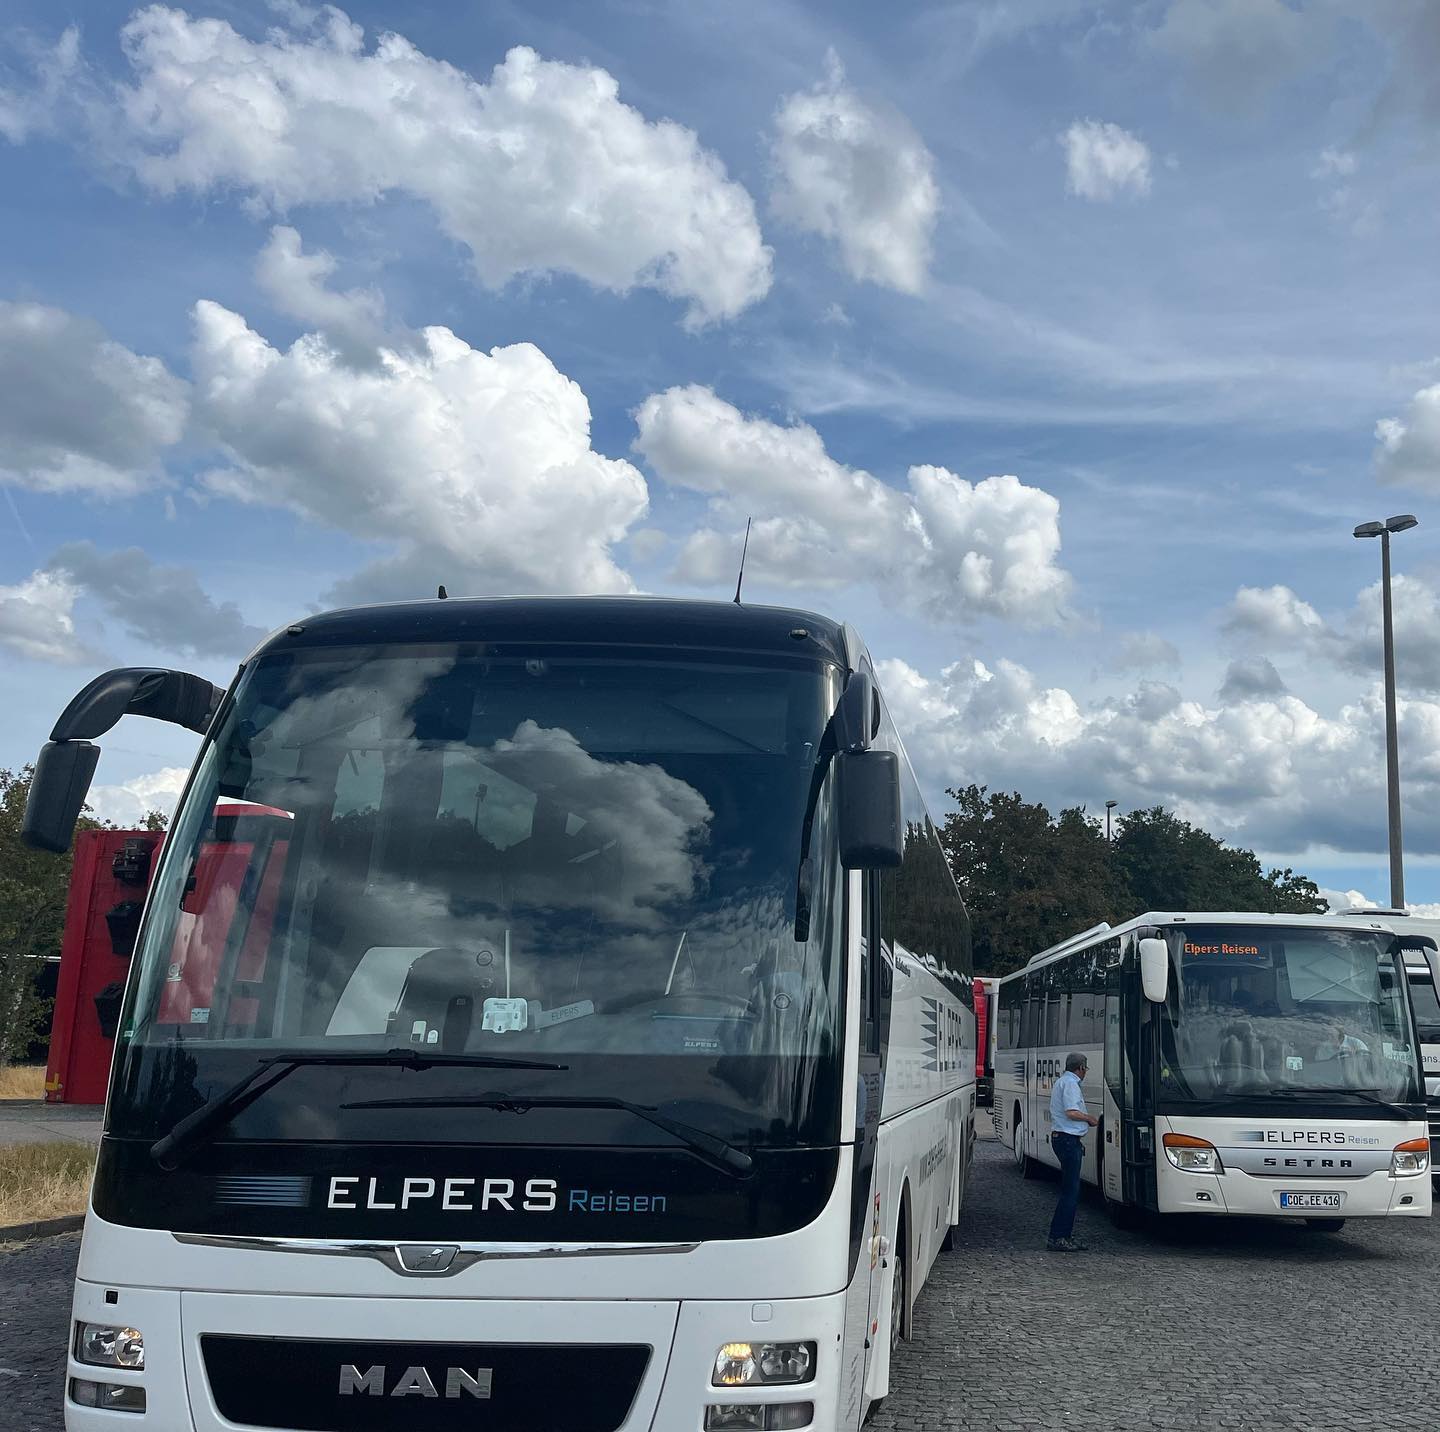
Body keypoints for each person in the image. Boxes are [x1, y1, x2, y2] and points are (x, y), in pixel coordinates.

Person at [1047, 1052, 1098, 1253]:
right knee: (1071, 1192)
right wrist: (1089, 1119)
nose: (1085, 1072)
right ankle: (1059, 1236)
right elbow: (1071, 1112)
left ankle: (1062, 1235)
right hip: (1068, 1140)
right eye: (1085, 1068)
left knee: (1070, 1190)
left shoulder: (1063, 1081)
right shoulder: (1070, 1084)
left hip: (1064, 1139)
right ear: (1081, 1068)